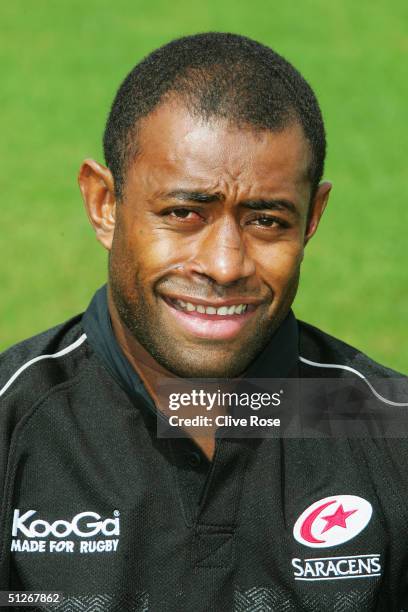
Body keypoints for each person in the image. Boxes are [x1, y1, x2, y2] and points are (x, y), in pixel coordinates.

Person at [0, 32, 407, 611]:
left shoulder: (390, 432)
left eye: (266, 221)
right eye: (184, 213)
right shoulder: (13, 424)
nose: (224, 266)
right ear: (104, 204)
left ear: (313, 217)